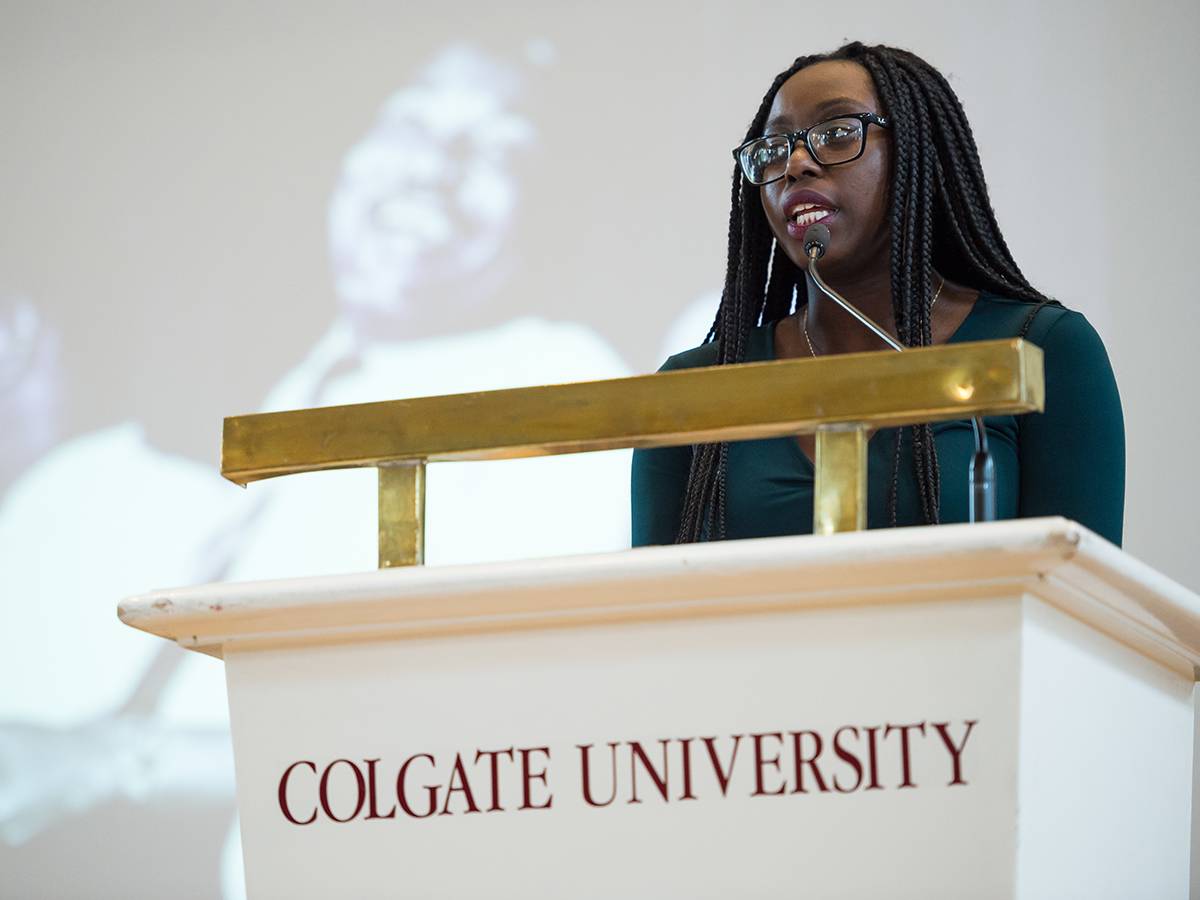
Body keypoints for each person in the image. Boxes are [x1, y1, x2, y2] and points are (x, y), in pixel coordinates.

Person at [632, 42, 1124, 548]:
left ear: (917, 151)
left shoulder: (1044, 351)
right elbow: (653, 613)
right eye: (775, 148)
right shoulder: (691, 391)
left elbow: (1080, 600)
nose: (797, 162)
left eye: (839, 133)